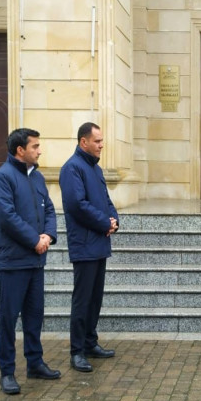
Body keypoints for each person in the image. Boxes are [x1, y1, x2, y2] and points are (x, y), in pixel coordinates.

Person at [0, 128, 60, 395]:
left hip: (36, 261)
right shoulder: (2, 179)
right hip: (13, 262)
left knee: (34, 315)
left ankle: (35, 362)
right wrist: (34, 240)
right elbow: (6, 217)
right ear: (20, 150)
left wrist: (49, 235)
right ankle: (7, 372)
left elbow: (50, 209)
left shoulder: (37, 177)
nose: (39, 151)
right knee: (9, 318)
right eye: (35, 146)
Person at [60, 122, 119, 372]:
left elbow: (105, 199)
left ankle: (90, 342)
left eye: (101, 141)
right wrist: (104, 222)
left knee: (95, 299)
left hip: (99, 242)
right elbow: (77, 205)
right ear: (84, 142)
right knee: (82, 300)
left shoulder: (96, 169)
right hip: (84, 244)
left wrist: (115, 220)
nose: (101, 145)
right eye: (97, 141)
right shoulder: (72, 168)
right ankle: (77, 351)